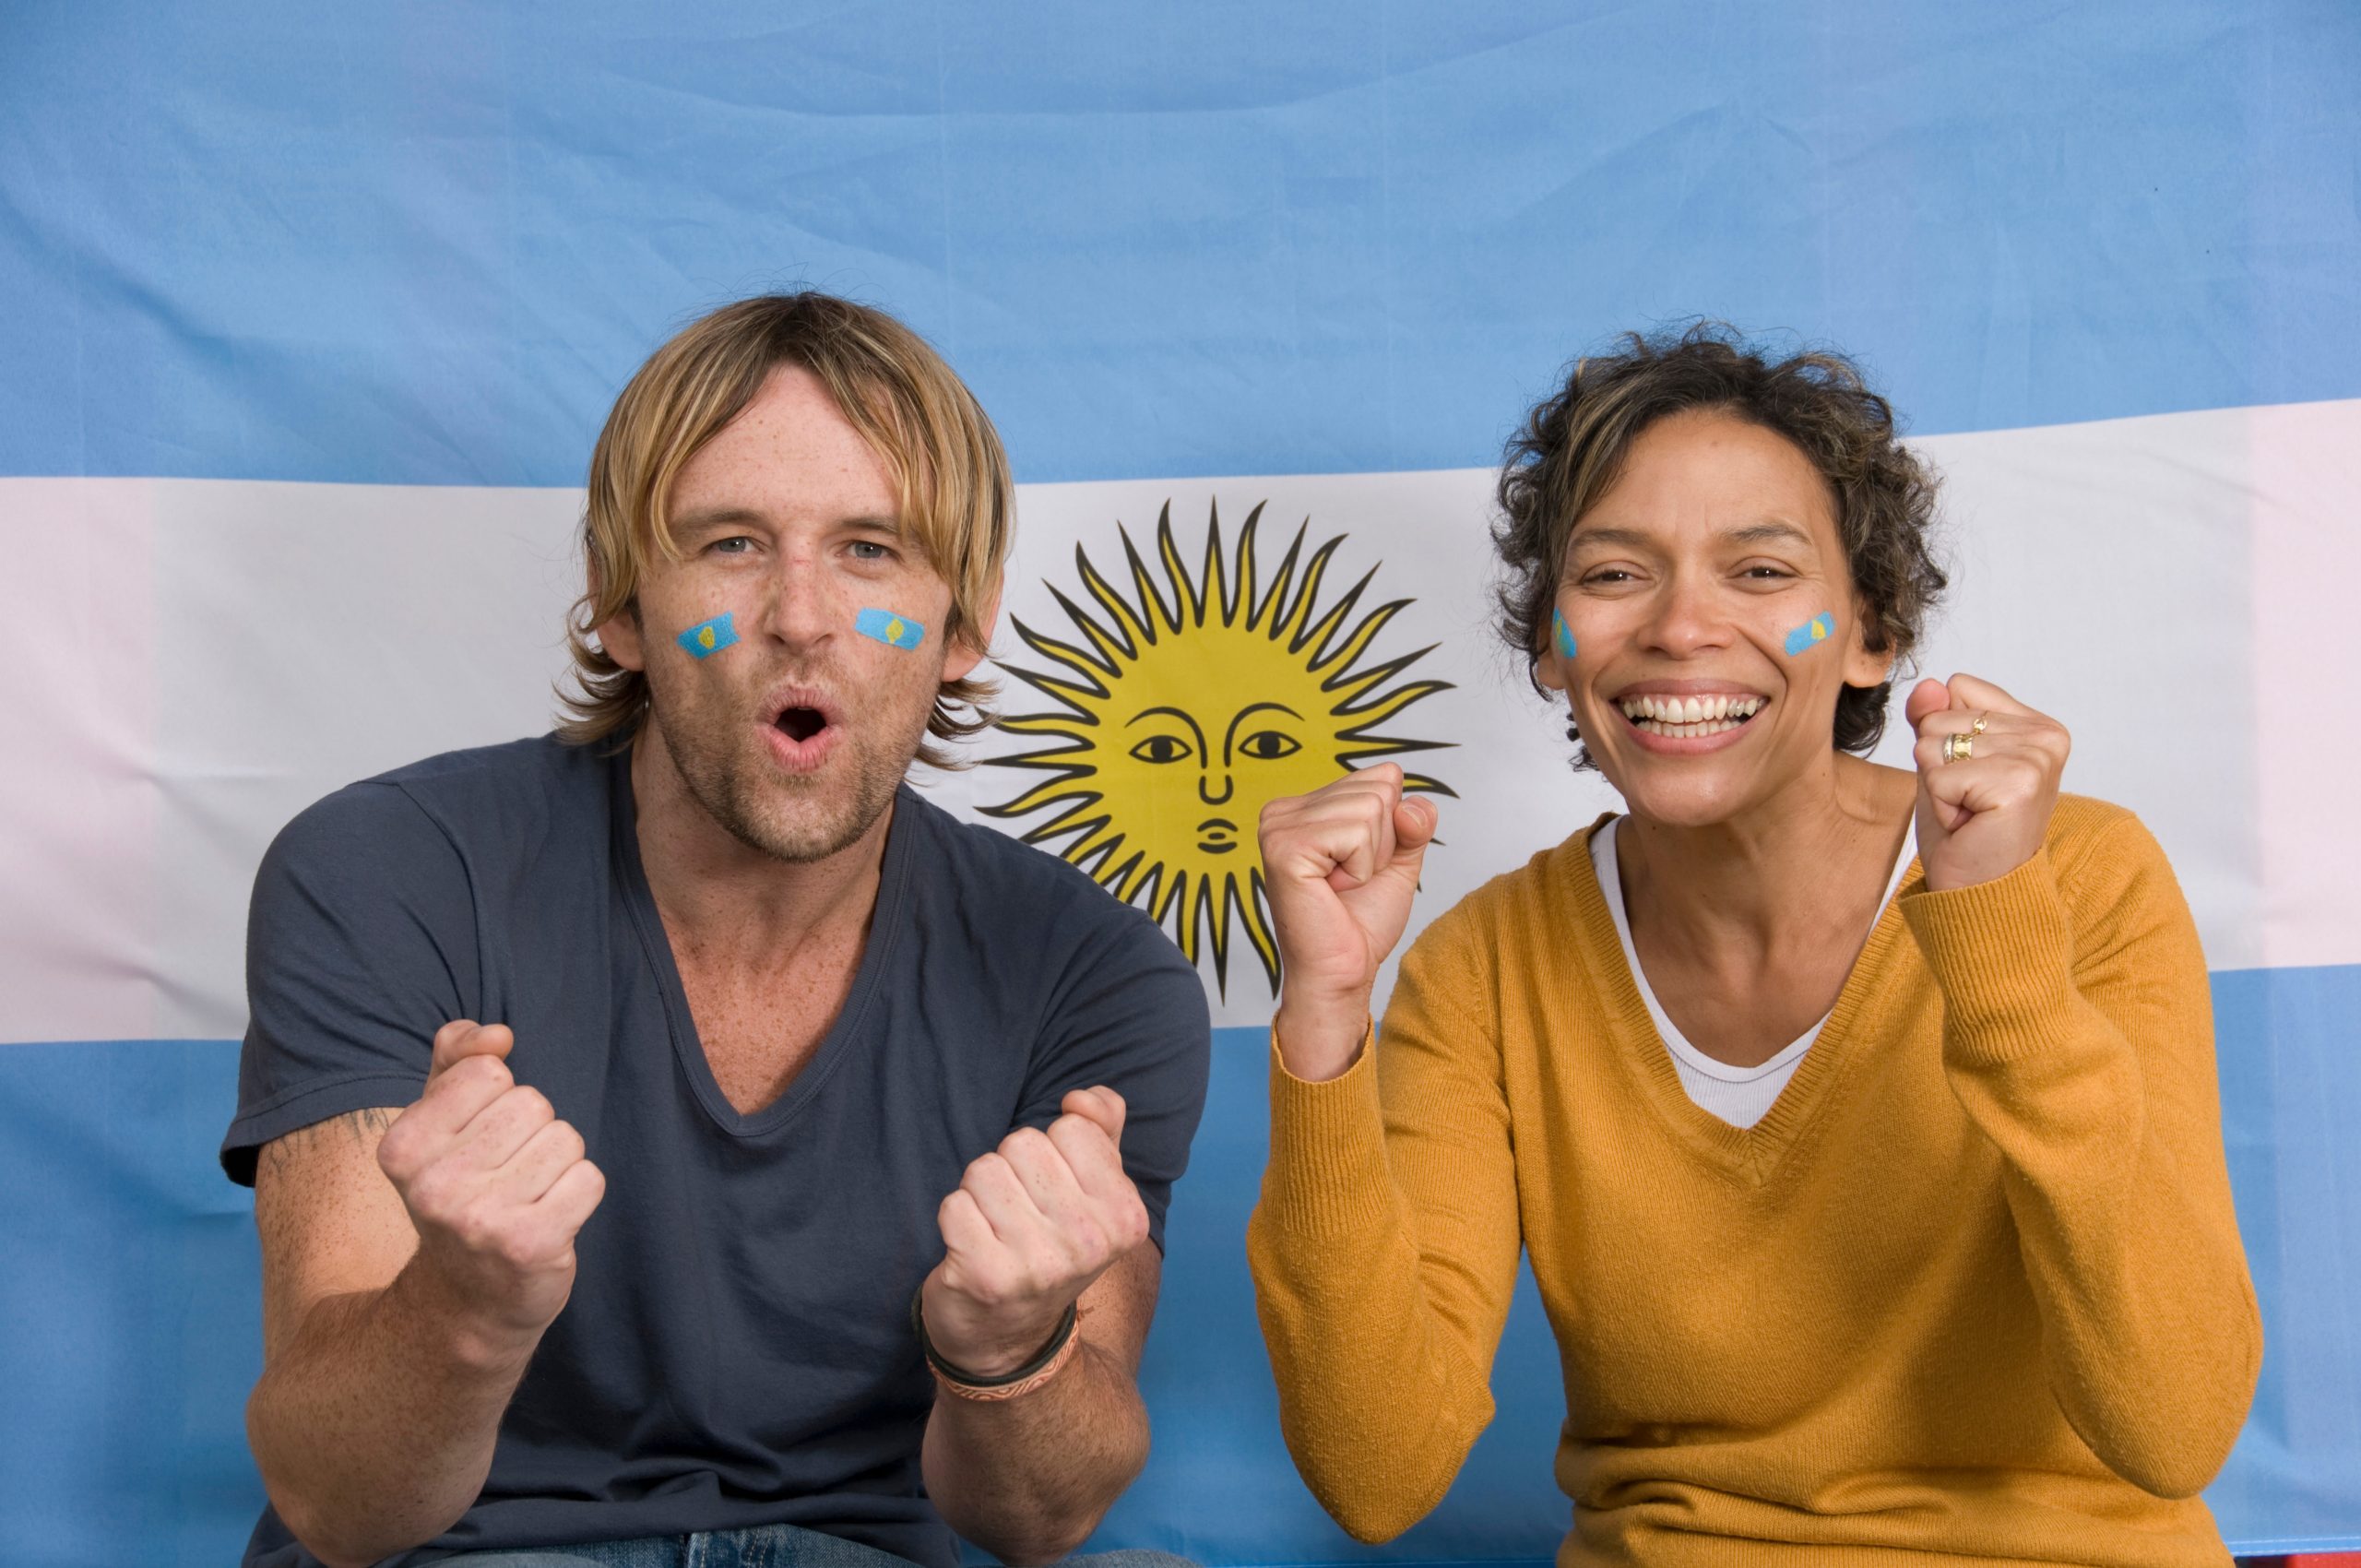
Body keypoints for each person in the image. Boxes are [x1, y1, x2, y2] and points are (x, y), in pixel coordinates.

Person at [222, 292, 1211, 1568]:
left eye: (870, 549)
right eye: (734, 543)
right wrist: (463, 1308)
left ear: (962, 625)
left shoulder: (1095, 975)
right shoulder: (387, 875)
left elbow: (1042, 1518)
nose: (800, 616)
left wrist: (1006, 1352)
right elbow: (333, 1503)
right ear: (625, 609)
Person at [1247, 327, 2260, 1565]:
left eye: (1761, 571)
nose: (1682, 628)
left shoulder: (2084, 881)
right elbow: (1377, 1472)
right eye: (1616, 575)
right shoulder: (1484, 971)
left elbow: (2176, 1426)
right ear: (1550, 646)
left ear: (1872, 634)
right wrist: (1323, 1018)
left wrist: (1995, 944)